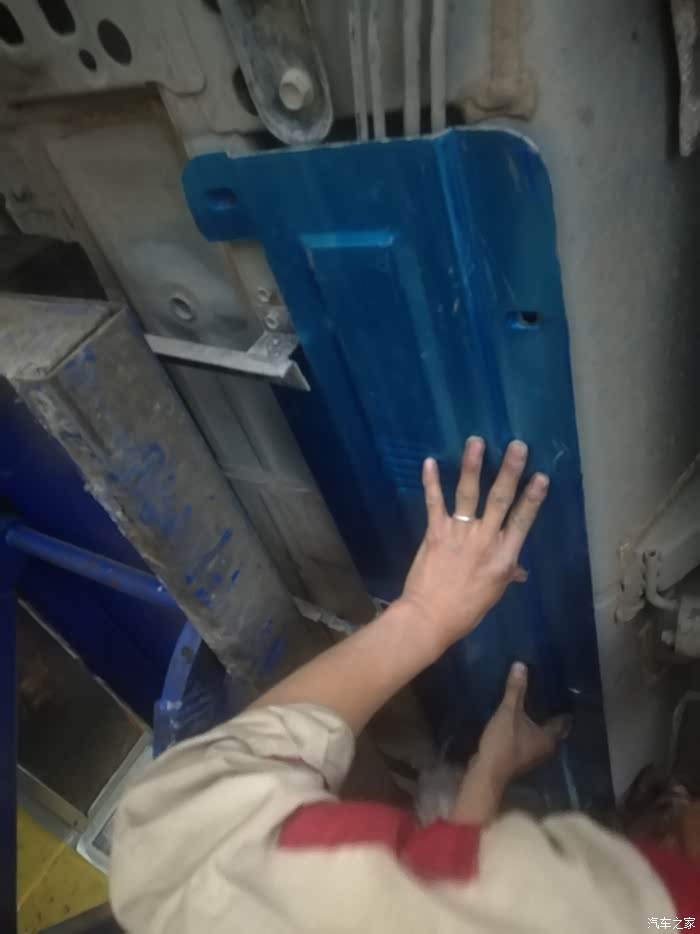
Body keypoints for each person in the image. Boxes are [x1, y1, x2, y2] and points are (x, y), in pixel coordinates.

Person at [110, 439, 699, 933]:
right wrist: (488, 778)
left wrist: (422, 618)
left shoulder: (637, 915)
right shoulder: (667, 918)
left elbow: (182, 850)